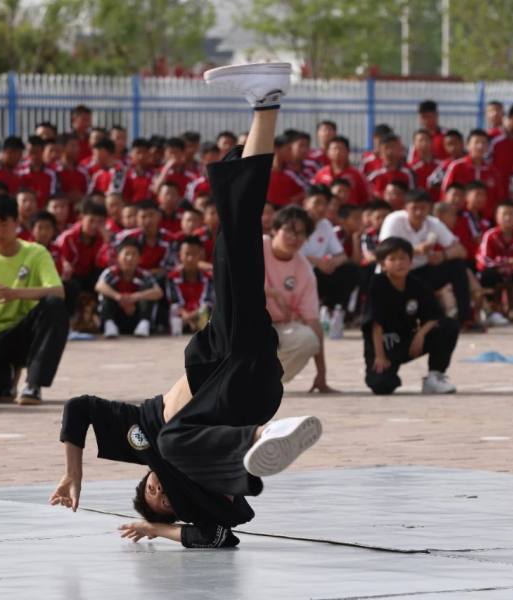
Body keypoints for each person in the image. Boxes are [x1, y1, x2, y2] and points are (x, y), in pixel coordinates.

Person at [50, 64, 322, 548]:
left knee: (234, 235)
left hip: (227, 358)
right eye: (165, 501)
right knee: (173, 442)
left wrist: (74, 472)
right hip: (241, 394)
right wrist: (161, 528)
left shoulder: (137, 436)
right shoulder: (187, 477)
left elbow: (80, 408)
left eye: (149, 493)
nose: (159, 493)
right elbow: (220, 537)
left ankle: (264, 108)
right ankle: (260, 440)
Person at [0, 193, 68, 405]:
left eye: (3, 224)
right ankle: (4, 379)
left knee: (54, 306)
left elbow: (58, 291)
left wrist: (15, 293)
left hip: (25, 333)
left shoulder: (36, 253)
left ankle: (33, 384)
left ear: (17, 222)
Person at [363, 237, 459, 395]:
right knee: (382, 386)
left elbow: (435, 315)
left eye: (403, 258)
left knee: (448, 326)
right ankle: (387, 376)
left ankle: (434, 377)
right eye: (392, 259)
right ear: (382, 264)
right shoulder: (377, 284)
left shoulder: (416, 284)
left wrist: (420, 335)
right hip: (383, 345)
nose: (399, 263)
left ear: (411, 261)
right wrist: (380, 356)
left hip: (409, 342)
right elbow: (375, 323)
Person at [265, 205, 334, 392]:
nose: (294, 238)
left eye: (301, 233)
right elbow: (239, 284)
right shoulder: (257, 247)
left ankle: (264, 381)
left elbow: (312, 321)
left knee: (308, 339)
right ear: (274, 230)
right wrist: (272, 293)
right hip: (247, 323)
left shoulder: (305, 270)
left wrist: (321, 373)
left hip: (279, 326)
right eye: (289, 230)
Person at [379, 190, 472, 325]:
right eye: (414, 208)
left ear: (429, 209)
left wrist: (443, 255)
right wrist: (416, 250)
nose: (419, 212)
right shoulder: (394, 220)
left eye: (423, 208)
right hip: (394, 275)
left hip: (421, 273)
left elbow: (461, 251)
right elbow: (384, 250)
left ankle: (465, 319)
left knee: (457, 266)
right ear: (406, 208)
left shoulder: (434, 223)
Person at [300, 185, 359, 313]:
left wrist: (332, 262)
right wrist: (317, 262)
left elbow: (342, 255)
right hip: (298, 271)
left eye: (325, 204)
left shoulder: (325, 225)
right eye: (317, 203)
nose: (321, 208)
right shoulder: (295, 222)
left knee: (351, 270)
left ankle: (333, 310)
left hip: (318, 271)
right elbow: (290, 254)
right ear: (305, 203)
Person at [95, 238, 163, 338]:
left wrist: (135, 297)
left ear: (140, 258)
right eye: (126, 254)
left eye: (134, 254)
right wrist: (118, 297)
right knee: (106, 291)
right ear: (118, 257)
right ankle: (109, 325)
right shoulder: (111, 272)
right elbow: (99, 286)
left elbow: (158, 292)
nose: (130, 258)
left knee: (148, 289)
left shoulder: (144, 275)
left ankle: (144, 324)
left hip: (136, 314)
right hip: (116, 314)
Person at [166, 236, 213, 333]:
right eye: (187, 254)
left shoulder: (208, 278)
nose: (190, 258)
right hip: (182, 317)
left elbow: (207, 303)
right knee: (174, 309)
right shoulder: (172, 277)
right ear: (180, 255)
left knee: (207, 311)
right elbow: (175, 302)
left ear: (201, 255)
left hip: (200, 316)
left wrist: (191, 317)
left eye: (194, 254)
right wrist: (187, 317)